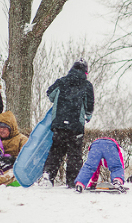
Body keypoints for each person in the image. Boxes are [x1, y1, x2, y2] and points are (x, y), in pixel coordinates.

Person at [40, 58, 95, 187]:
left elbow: (50, 95)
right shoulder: (87, 85)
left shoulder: (61, 81)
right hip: (76, 125)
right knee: (74, 154)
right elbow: (89, 105)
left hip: (59, 124)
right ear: (85, 72)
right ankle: (73, 181)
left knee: (56, 151)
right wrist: (88, 116)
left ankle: (48, 175)